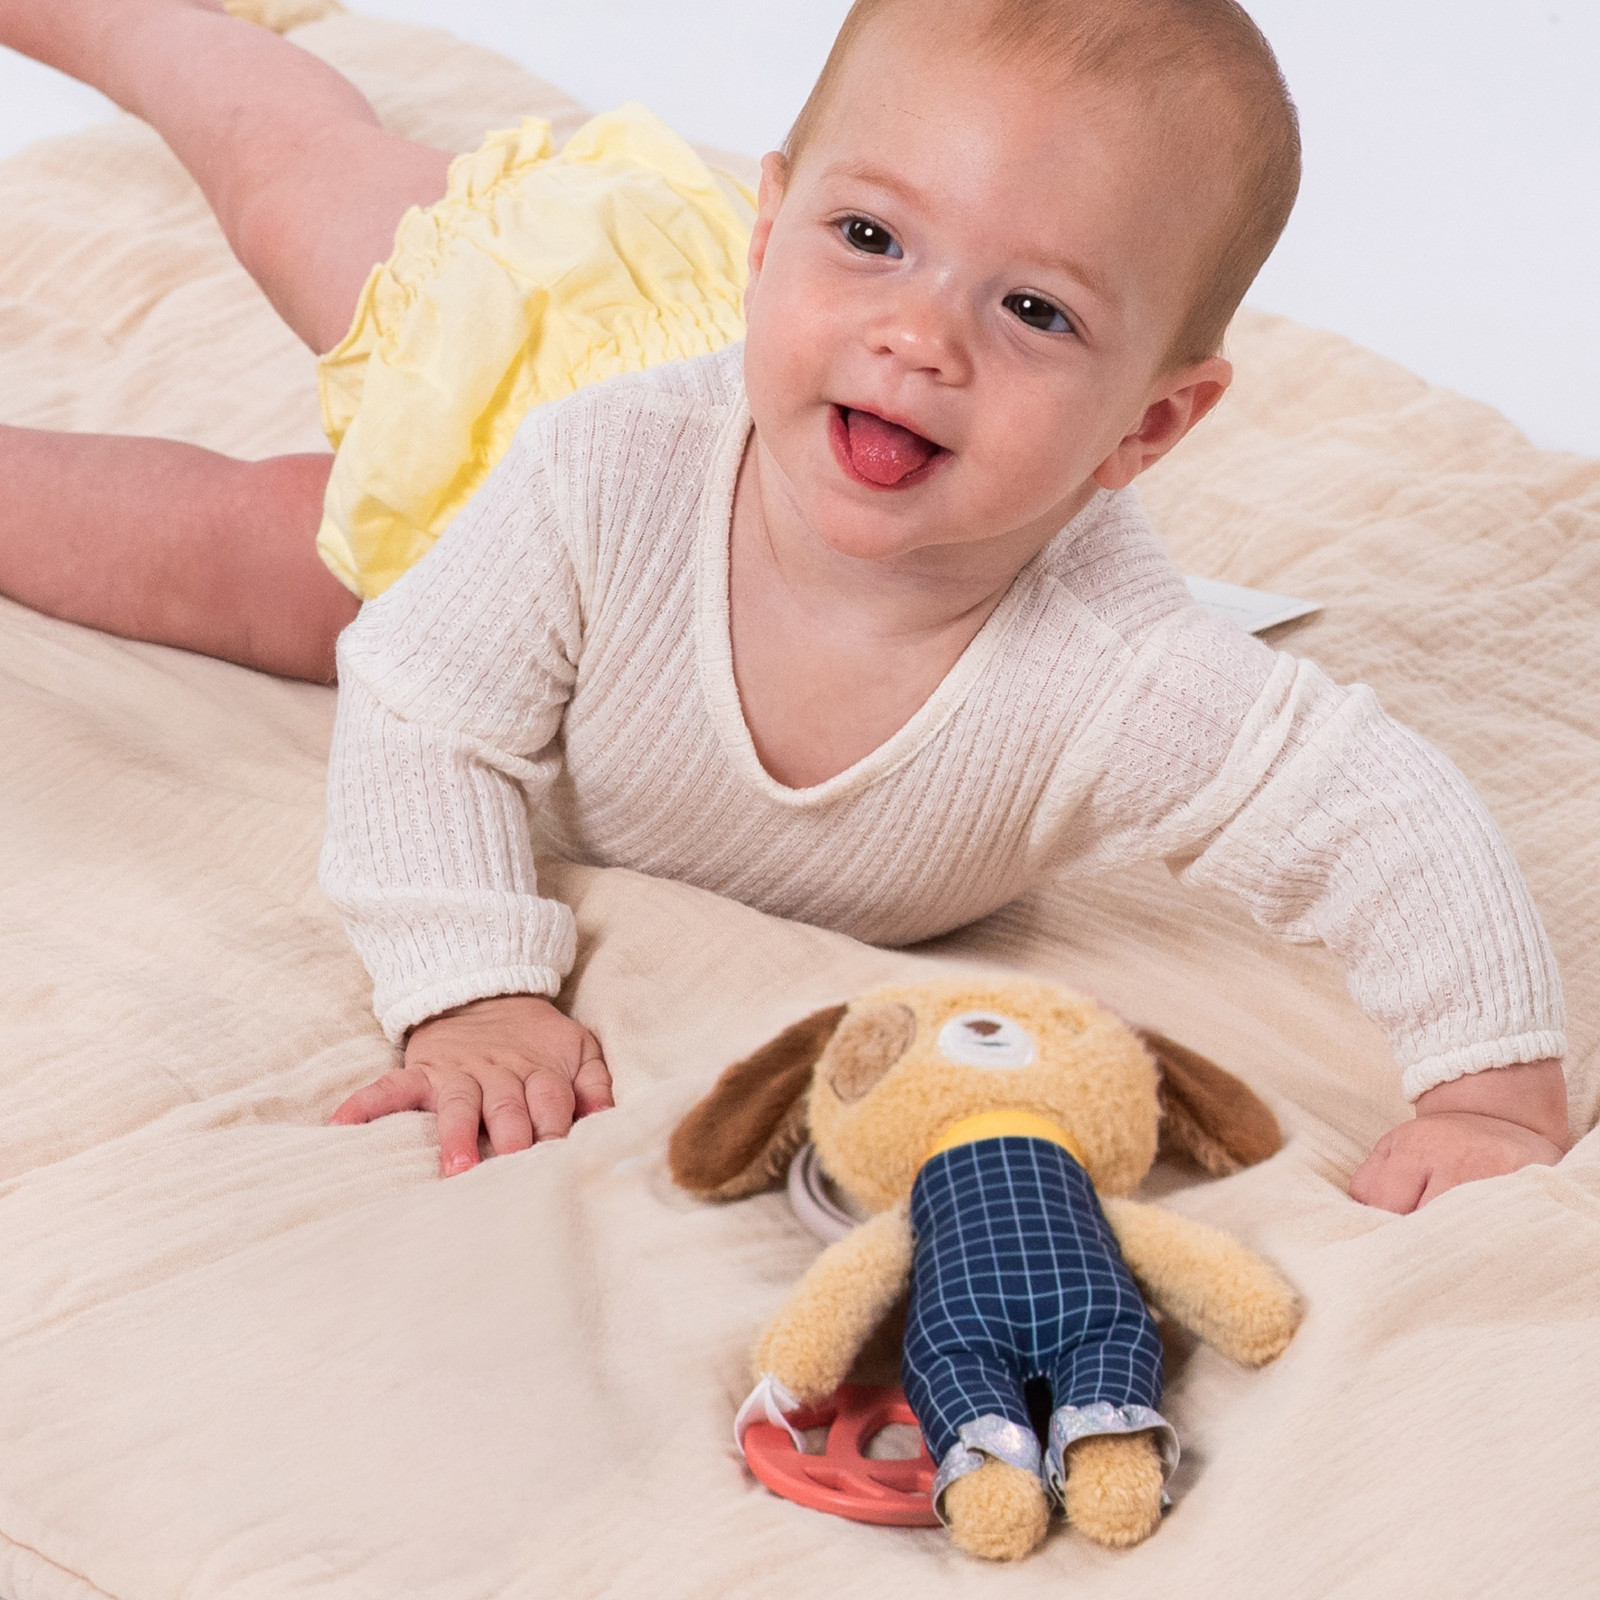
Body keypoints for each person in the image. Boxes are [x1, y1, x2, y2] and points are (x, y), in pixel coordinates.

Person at [0, 0, 1569, 1216]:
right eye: (869, 238)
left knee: (247, 560)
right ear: (769, 236)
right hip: (520, 379)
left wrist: (1489, 1098)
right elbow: (422, 711)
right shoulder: (606, 471)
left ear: (1148, 427)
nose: (917, 338)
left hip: (474, 575)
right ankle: (146, 25)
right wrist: (472, 992)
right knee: (303, 180)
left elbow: (1384, 820)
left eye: (1034, 310)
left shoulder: (1119, 672)